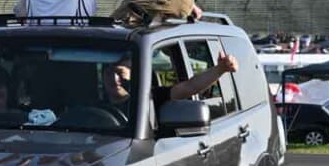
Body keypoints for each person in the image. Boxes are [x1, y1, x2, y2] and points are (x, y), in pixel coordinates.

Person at [101, 51, 237, 119]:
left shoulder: (151, 98)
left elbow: (190, 87)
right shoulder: (93, 105)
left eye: (120, 72)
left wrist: (220, 69)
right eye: (108, 73)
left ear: (135, 75)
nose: (114, 78)